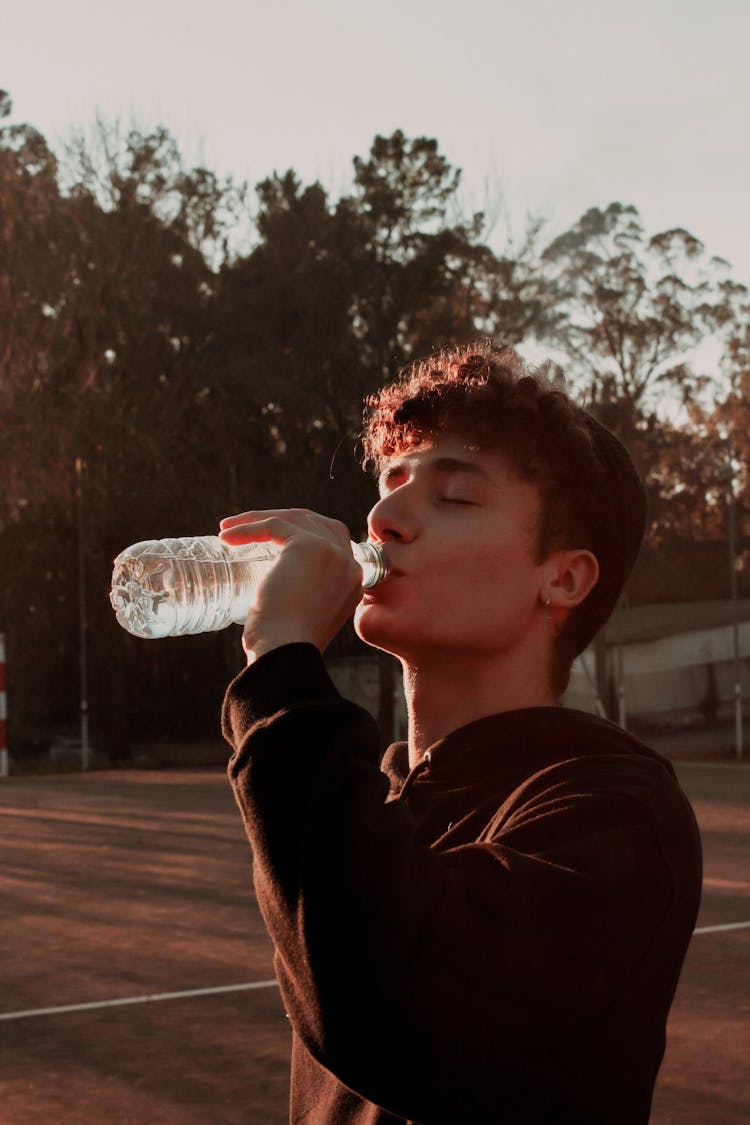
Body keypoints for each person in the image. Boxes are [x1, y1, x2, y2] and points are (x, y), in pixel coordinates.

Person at [219, 343, 702, 1124]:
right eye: (391, 484)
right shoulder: (369, 802)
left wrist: (281, 673)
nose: (382, 519)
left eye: (455, 498)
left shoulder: (617, 814)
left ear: (564, 577)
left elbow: (381, 997)